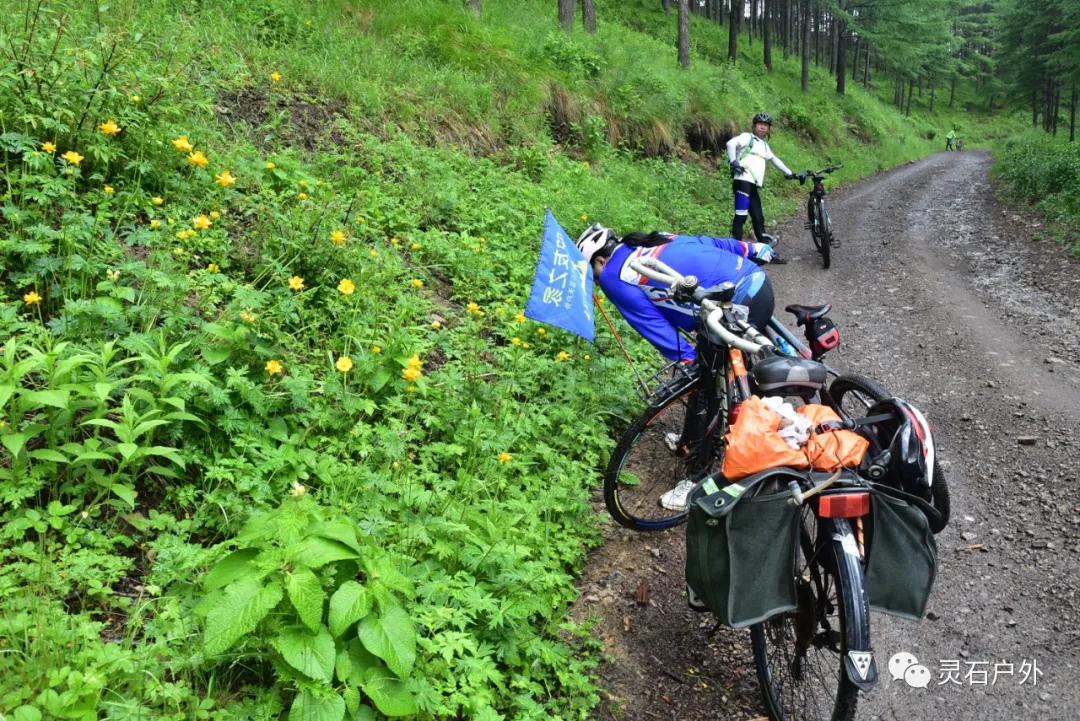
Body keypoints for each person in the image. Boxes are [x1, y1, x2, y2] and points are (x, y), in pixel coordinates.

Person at [576, 224, 779, 511]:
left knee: (705, 388)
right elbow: (709, 241)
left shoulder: (611, 275)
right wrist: (752, 249)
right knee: (716, 371)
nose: (597, 281)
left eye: (593, 275)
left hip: (735, 305)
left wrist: (688, 360)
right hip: (754, 281)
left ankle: (697, 478)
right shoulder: (652, 240)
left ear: (599, 261)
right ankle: (690, 439)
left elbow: (650, 324)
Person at [726, 112, 795, 248]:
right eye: (760, 124)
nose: (762, 127)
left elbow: (775, 160)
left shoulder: (764, 146)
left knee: (758, 218)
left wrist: (790, 173)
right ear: (754, 126)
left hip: (753, 186)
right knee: (741, 215)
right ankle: (736, 249)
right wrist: (734, 162)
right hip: (743, 180)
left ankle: (765, 251)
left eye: (765, 125)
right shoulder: (747, 137)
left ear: (769, 129)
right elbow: (730, 144)